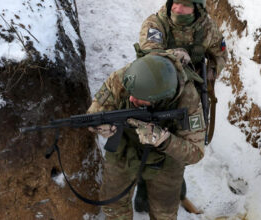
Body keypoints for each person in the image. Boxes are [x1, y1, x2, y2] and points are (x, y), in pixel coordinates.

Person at [87, 52, 206, 220]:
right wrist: (101, 125)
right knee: (113, 206)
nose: (131, 98)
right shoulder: (127, 77)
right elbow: (96, 109)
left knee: (164, 214)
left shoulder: (188, 99)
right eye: (131, 93)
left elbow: (196, 152)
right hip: (125, 146)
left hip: (167, 157)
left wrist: (164, 141)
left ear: (160, 99)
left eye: (140, 99)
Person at [135, 0, 228, 211]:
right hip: (157, 90)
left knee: (183, 144)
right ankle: (143, 192)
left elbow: (220, 53)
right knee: (148, 142)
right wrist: (173, 56)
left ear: (197, 8)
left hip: (190, 95)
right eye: (175, 3)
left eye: (185, 6)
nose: (178, 9)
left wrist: (212, 72)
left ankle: (177, 190)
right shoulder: (156, 23)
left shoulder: (207, 28)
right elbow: (150, 51)